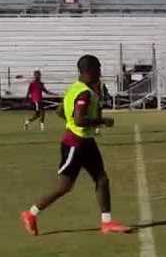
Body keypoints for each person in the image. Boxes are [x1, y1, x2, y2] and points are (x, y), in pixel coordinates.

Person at [20, 55, 130, 236]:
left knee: (101, 179)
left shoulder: (75, 88)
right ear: (90, 71)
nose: (100, 73)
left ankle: (107, 223)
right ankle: (31, 213)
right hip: (75, 143)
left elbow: (60, 111)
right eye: (98, 69)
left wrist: (73, 121)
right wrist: (101, 121)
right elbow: (79, 119)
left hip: (85, 141)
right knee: (64, 186)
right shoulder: (84, 92)